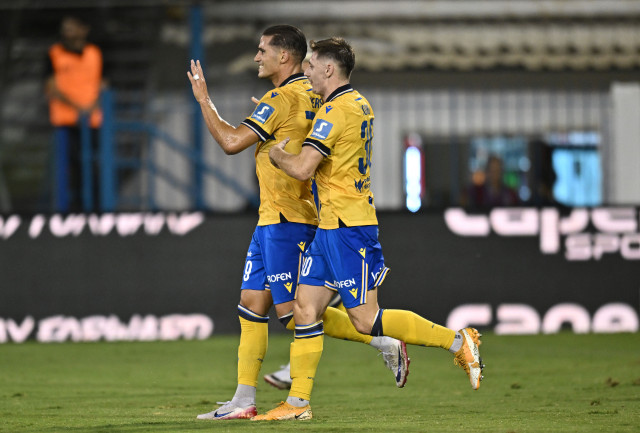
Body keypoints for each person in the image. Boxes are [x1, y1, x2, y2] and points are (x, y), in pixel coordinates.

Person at [255, 37, 484, 421]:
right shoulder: (357, 103)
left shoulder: (334, 112)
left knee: (367, 320)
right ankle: (297, 404)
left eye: (311, 64)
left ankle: (458, 341)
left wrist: (275, 151)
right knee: (305, 309)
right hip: (330, 226)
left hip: (348, 229)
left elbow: (303, 168)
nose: (305, 70)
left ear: (329, 69)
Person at [187, 25, 409, 421]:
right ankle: (243, 400)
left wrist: (204, 100)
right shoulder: (310, 94)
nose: (256, 57)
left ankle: (381, 340)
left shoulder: (281, 98)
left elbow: (231, 142)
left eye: (262, 50)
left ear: (283, 56)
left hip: (288, 220)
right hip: (270, 217)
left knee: (296, 313)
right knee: (251, 304)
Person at [45, 15, 104, 212]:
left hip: (92, 121)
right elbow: (51, 87)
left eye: (71, 28)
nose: (67, 33)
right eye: (65, 29)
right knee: (69, 169)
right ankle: (72, 211)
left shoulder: (94, 53)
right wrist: (79, 107)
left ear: (83, 29)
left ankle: (96, 210)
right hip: (66, 122)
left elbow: (102, 83)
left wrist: (93, 105)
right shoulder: (54, 53)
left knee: (94, 166)